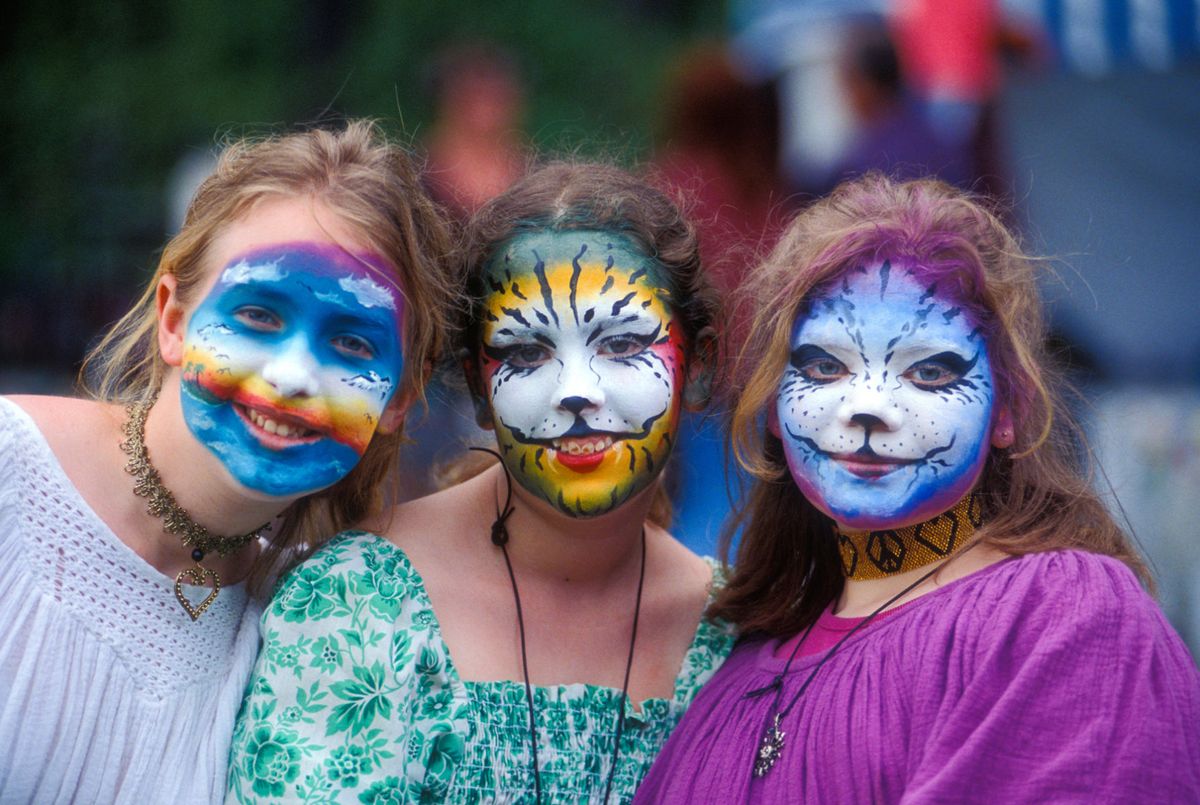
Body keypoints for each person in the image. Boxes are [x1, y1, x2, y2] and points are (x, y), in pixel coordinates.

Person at [635, 174, 1200, 803]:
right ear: (772, 404)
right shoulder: (731, 677)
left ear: (1007, 410)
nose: (869, 407)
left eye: (929, 372)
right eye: (825, 366)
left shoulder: (1061, 620)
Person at [227, 163, 737, 804]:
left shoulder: (733, 633)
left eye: (622, 344)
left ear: (700, 366)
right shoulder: (361, 604)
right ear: (476, 387)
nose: (576, 391)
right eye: (525, 353)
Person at [0, 120, 454, 802]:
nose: (294, 375)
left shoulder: (308, 616)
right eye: (260, 317)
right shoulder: (9, 474)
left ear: (398, 401)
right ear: (173, 320)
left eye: (354, 346)